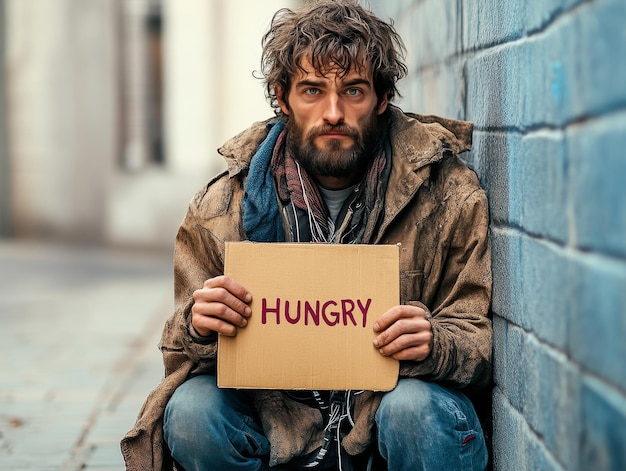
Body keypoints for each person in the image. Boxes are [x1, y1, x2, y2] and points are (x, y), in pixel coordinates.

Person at [121, 1, 492, 470]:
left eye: (353, 91)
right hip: (279, 427)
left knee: (417, 409)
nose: (333, 112)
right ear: (282, 97)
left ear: (381, 98)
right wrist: (198, 322)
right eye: (312, 90)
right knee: (194, 411)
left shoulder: (448, 194)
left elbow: (478, 342)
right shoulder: (222, 207)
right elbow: (176, 351)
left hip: (386, 425)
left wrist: (435, 341)